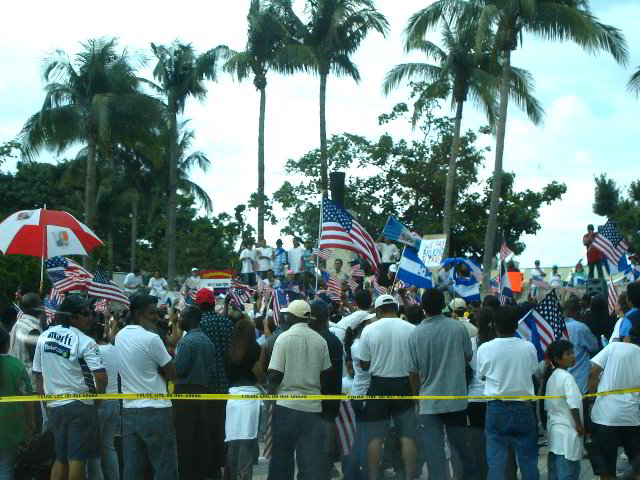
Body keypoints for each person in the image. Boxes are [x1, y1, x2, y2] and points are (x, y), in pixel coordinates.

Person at [33, 295, 107, 480]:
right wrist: (98, 397)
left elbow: (38, 374)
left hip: (54, 406)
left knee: (60, 458)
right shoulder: (85, 341)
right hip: (80, 404)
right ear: (72, 317)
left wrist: (45, 402)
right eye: (85, 313)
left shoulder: (44, 336)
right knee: (77, 459)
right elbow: (101, 376)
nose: (90, 316)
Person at [407, 288, 475, 480]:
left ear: (422, 307)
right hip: (456, 399)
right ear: (444, 304)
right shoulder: (457, 328)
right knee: (462, 449)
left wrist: (416, 401)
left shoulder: (416, 334)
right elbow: (468, 356)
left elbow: (413, 374)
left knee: (434, 452)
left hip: (429, 402)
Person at [114, 294, 178, 480]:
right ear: (137, 315)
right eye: (152, 313)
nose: (156, 317)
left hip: (129, 410)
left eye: (156, 312)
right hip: (156, 410)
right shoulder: (152, 339)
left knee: (132, 469)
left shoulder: (119, 336)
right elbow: (172, 373)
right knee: (165, 467)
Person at [266, 300, 332, 480]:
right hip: (312, 407)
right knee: (309, 460)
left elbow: (275, 374)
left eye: (287, 314)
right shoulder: (320, 340)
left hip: (287, 406)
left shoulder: (284, 338)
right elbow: (326, 373)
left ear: (292, 317)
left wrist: (270, 391)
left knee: (282, 459)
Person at [476, 306, 539, 480]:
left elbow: (480, 376)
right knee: (529, 460)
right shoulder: (528, 347)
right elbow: (533, 370)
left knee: (496, 462)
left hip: (496, 408)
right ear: (516, 326)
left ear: (494, 325)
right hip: (524, 408)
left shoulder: (485, 348)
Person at [358, 294, 416, 480]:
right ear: (396, 309)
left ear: (378, 311)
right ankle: (409, 476)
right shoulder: (411, 329)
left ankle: (373, 477)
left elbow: (364, 364)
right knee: (407, 435)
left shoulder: (369, 330)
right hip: (404, 385)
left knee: (375, 437)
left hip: (379, 385)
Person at [587, 323, 640, 480]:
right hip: (631, 417)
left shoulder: (614, 347)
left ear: (628, 336)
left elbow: (593, 373)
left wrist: (591, 398)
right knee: (637, 464)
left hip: (605, 416)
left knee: (606, 467)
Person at [174, 305, 215, 480]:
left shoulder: (187, 342)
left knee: (184, 438)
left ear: (191, 319)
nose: (178, 319)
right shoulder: (208, 341)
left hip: (185, 394)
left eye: (182, 316)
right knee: (200, 437)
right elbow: (211, 370)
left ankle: (185, 474)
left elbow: (179, 369)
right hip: (203, 393)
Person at [196, 288, 234, 479]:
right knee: (221, 428)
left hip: (203, 384)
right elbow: (229, 352)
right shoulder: (225, 323)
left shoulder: (197, 325)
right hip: (224, 383)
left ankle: (208, 467)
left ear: (197, 305)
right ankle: (220, 466)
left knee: (204, 429)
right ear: (212, 303)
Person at [224, 317, 265, 480]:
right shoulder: (254, 348)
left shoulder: (229, 350)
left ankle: (232, 475)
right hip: (250, 398)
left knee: (233, 440)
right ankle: (244, 476)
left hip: (233, 398)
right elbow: (259, 374)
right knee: (247, 442)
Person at [309, 299, 344, 480]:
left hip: (321, 403)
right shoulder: (333, 341)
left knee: (319, 450)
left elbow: (327, 375)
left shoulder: (324, 341)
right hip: (326, 403)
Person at [543, 340, 585, 480]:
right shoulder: (567, 378)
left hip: (555, 434)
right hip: (567, 434)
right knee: (568, 474)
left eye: (572, 352)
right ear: (556, 359)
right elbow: (573, 404)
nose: (573, 356)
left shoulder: (552, 377)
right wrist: (579, 426)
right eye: (568, 354)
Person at [86, 321, 120, 480]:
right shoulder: (113, 349)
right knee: (108, 447)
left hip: (99, 402)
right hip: (114, 402)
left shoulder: (93, 351)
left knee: (93, 450)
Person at [0, 325, 35, 480]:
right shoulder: (16, 365)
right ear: (7, 345)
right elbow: (27, 397)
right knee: (6, 467)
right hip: (10, 428)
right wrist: (31, 421)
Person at [467, 307, 497, 480]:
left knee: (477, 447)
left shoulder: (471, 343)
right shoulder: (501, 344)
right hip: (496, 398)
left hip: (475, 398)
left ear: (477, 323)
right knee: (498, 447)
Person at [562, 296, 598, 394]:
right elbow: (594, 346)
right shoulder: (580, 327)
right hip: (579, 378)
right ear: (575, 311)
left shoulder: (555, 327)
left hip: (562, 377)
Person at [9, 293, 42, 393]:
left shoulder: (18, 322)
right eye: (41, 304)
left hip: (16, 377)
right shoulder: (33, 329)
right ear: (37, 307)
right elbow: (36, 361)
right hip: (30, 384)